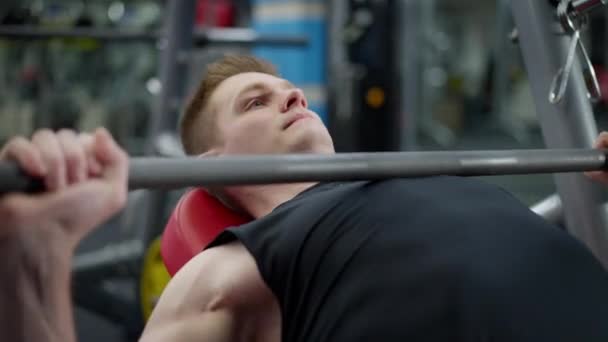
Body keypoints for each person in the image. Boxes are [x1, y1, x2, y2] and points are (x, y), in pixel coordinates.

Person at [1, 55, 608, 342]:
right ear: (212, 165)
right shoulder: (240, 261)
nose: (292, 98)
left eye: (289, 92)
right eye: (255, 102)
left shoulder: (436, 181)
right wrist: (35, 260)